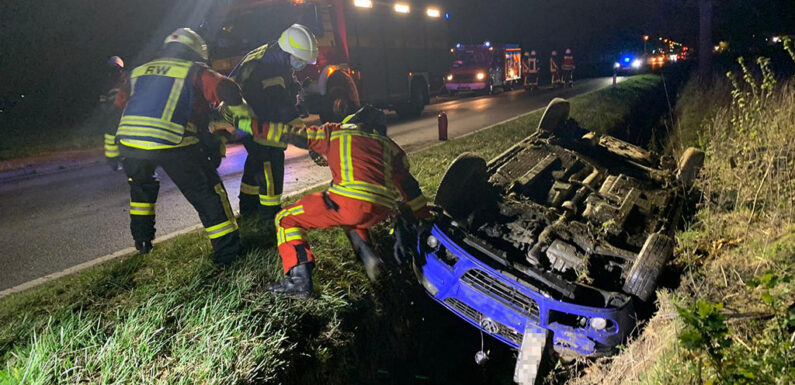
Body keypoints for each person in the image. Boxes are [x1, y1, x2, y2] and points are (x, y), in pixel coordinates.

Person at [217, 105, 431, 298]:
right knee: (353, 216)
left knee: (285, 219)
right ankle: (369, 258)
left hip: (348, 202)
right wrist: (425, 218)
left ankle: (299, 281)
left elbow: (288, 134)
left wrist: (247, 124)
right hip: (382, 208)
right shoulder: (390, 147)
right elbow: (410, 190)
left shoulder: (335, 131)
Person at [114, 28, 252, 261]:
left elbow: (120, 103)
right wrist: (244, 116)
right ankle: (229, 253)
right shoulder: (193, 70)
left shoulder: (138, 71)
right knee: (208, 192)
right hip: (171, 141)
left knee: (141, 190)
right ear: (194, 52)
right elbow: (225, 88)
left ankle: (143, 241)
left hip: (131, 142)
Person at [229, 24, 318, 227]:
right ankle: (269, 216)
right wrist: (307, 139)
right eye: (301, 60)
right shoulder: (270, 65)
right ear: (290, 52)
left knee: (256, 161)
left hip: (244, 113)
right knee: (271, 157)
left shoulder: (273, 55)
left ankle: (249, 210)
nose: (303, 64)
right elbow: (279, 106)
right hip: (246, 115)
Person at [102, 56, 126, 171]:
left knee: (112, 138)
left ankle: (116, 161)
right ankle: (119, 160)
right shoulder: (123, 80)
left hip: (115, 115)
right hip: (117, 114)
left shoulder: (107, 81)